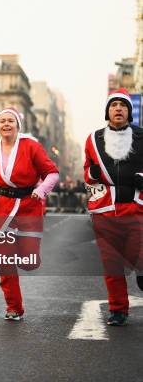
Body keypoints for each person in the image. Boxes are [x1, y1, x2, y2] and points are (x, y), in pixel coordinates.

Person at [0, 108, 59, 321]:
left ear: (18, 126)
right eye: (2, 121)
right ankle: (14, 307)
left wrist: (41, 190)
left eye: (11, 121)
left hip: (28, 206)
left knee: (29, 262)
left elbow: (52, 173)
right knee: (4, 261)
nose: (6, 124)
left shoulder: (31, 147)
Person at [83, 88, 143, 326]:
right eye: (113, 105)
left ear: (129, 111)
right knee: (111, 262)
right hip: (105, 210)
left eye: (123, 105)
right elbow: (86, 173)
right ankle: (118, 310)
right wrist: (92, 174)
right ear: (107, 111)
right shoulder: (93, 139)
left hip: (137, 207)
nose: (118, 108)